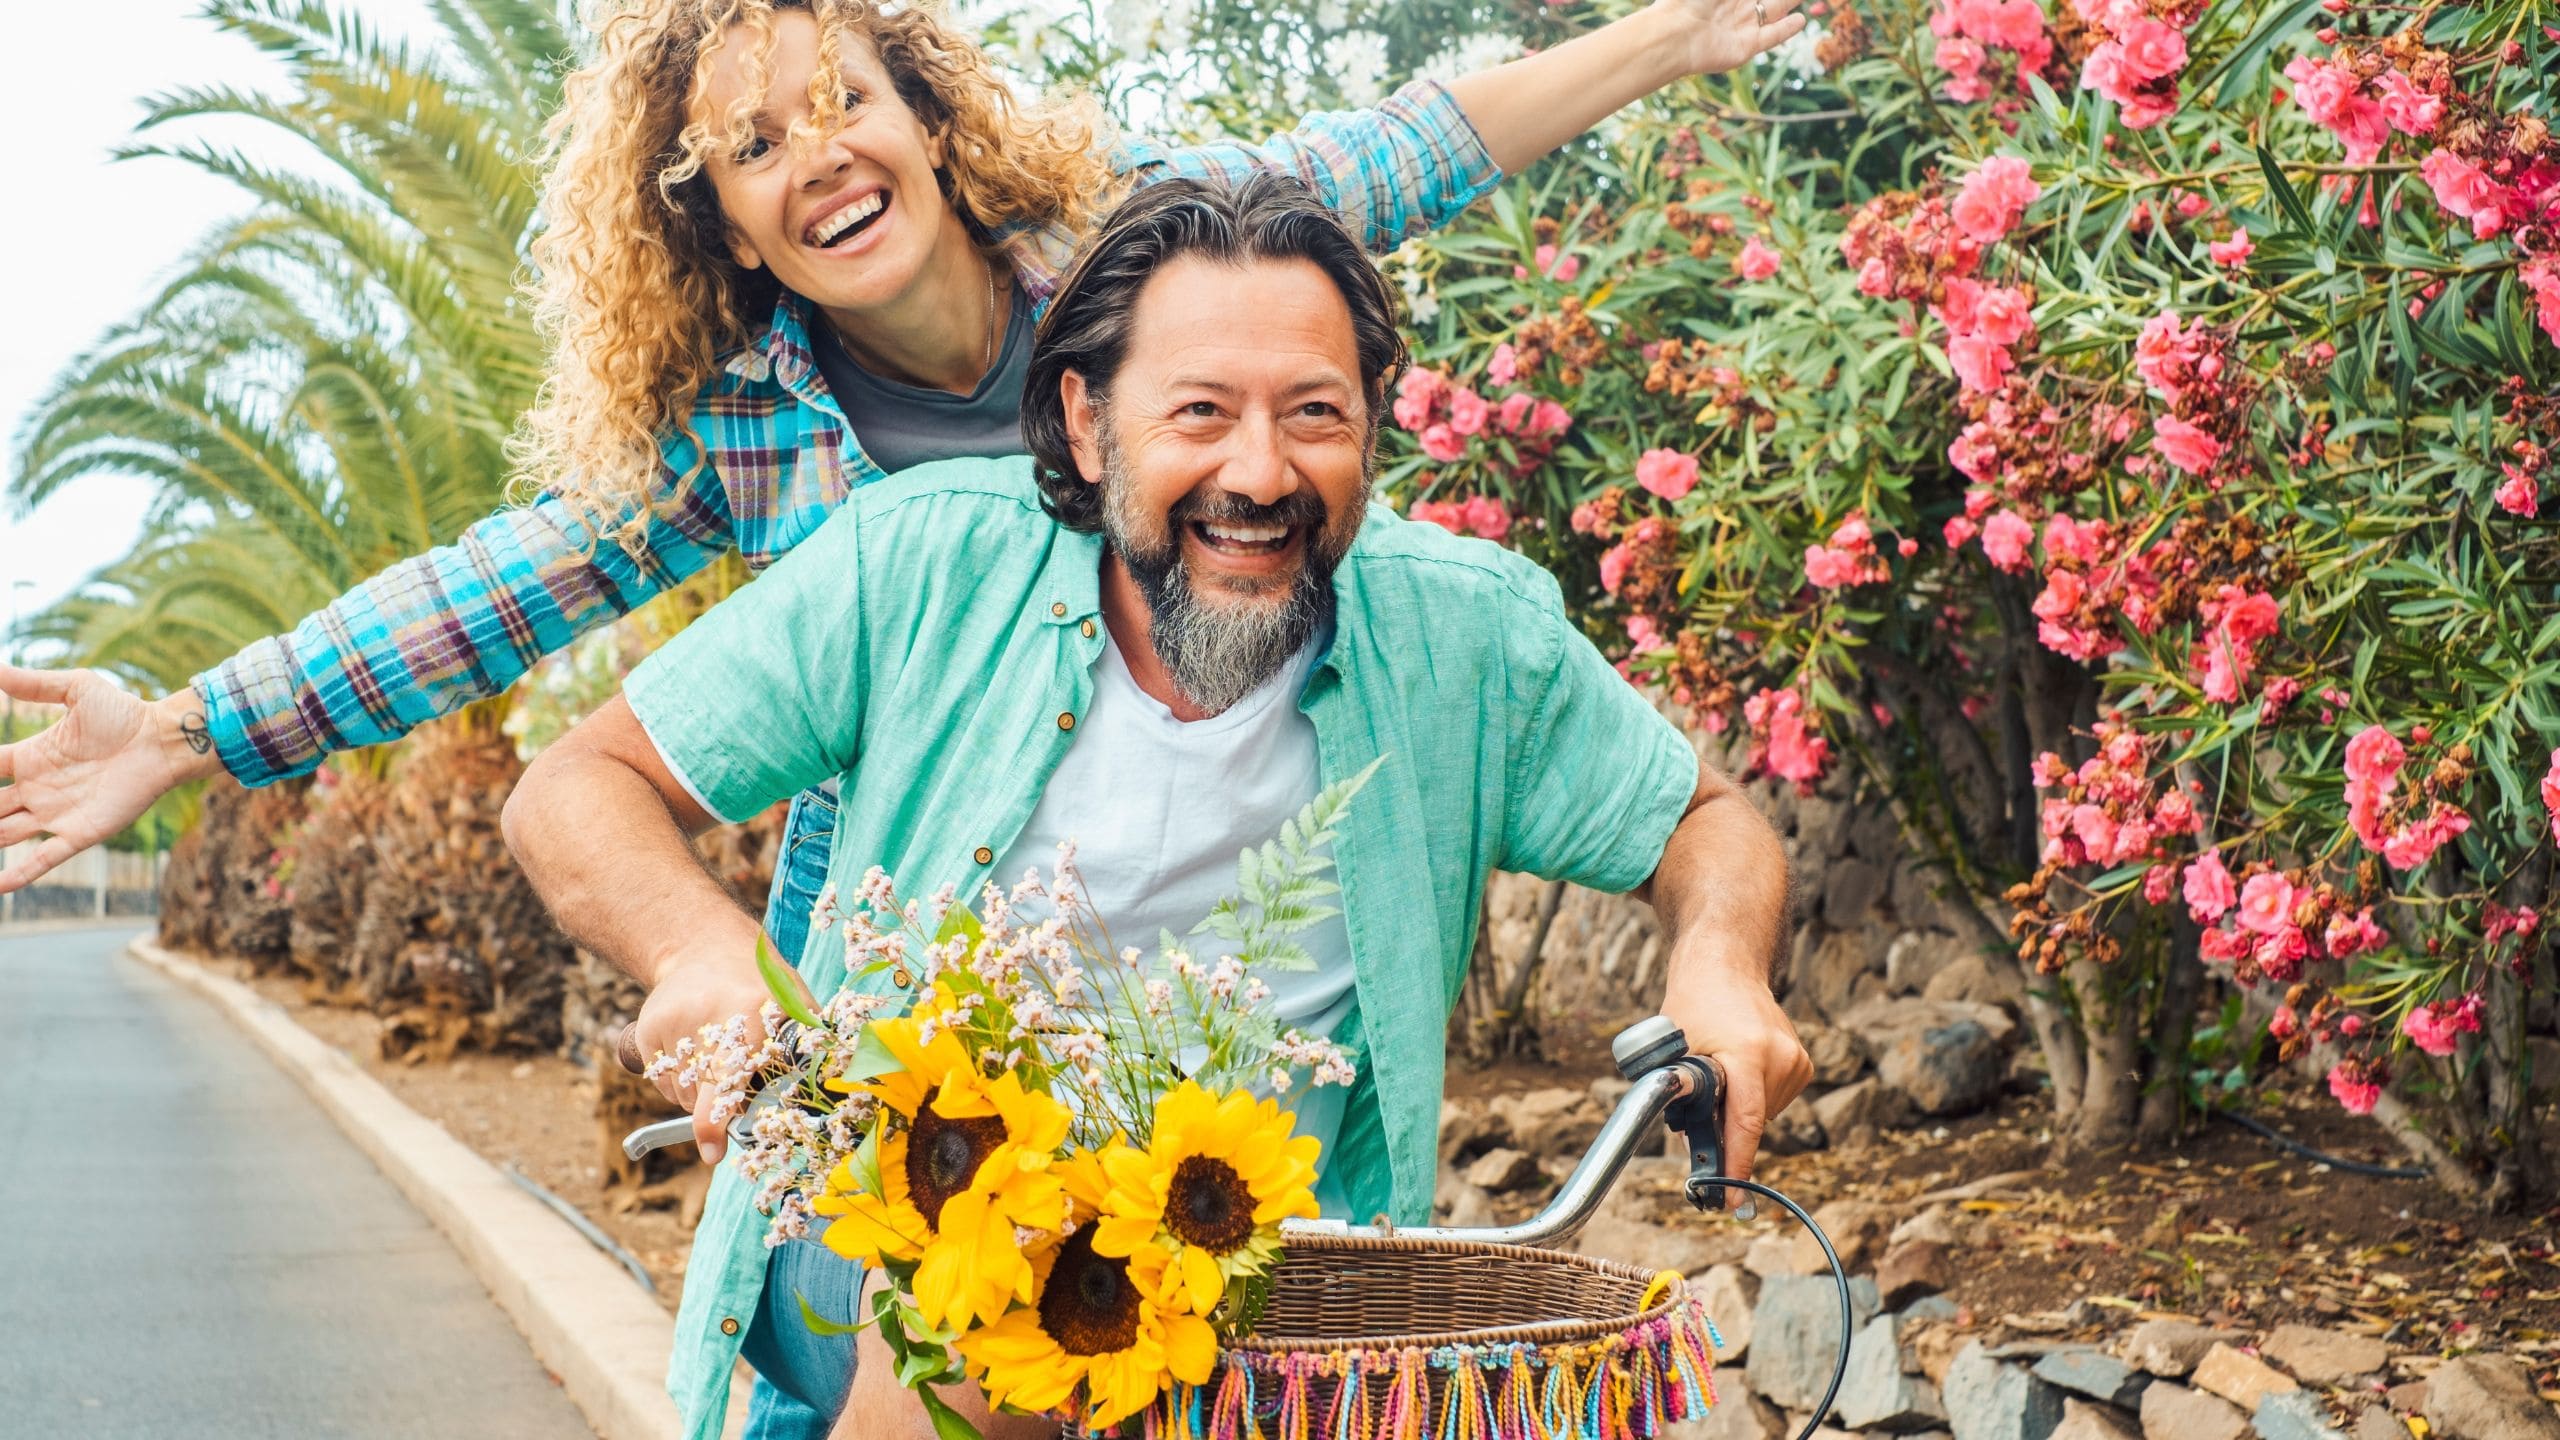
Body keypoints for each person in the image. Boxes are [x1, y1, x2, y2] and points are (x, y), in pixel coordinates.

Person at [0, 0, 1806, 1432]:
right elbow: (490, 604)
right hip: (909, 990)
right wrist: (189, 728)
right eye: (752, 149)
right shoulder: (792, 468)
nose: (819, 157)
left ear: (928, 115)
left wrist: (1676, 33)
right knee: (947, 1342)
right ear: (719, 224)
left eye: (841, 101)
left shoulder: (1160, 267)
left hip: (1248, 1184)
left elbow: (1409, 147)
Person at [501, 171, 1812, 1440]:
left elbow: (1705, 821)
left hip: (1272, 1285)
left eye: (1315, 413)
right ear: (1086, 423)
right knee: (1006, 1317)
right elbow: (577, 786)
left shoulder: (1464, 631)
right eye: (1200, 413)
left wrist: (1718, 969)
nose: (1263, 472)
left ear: (1372, 426)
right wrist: (699, 954)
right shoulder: (918, 560)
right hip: (891, 1226)